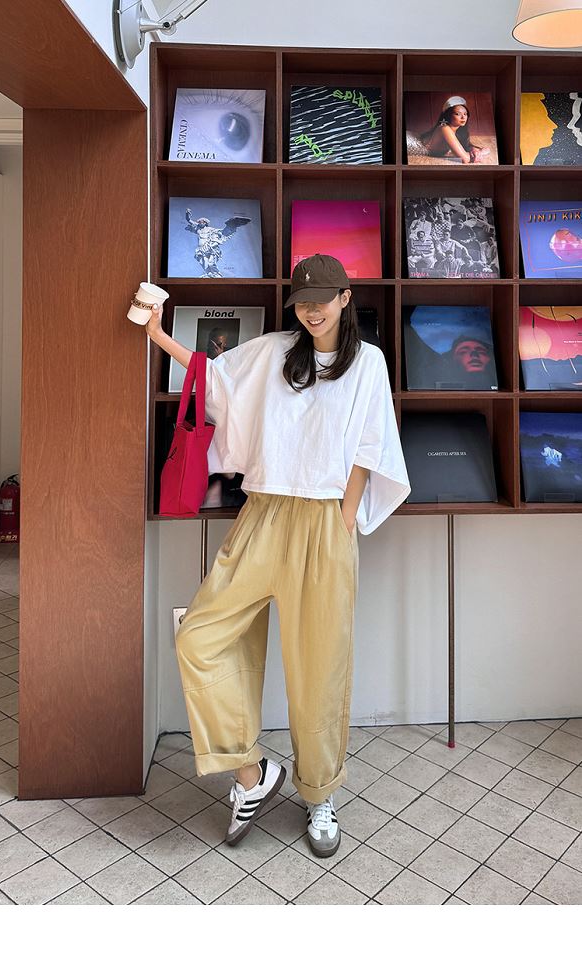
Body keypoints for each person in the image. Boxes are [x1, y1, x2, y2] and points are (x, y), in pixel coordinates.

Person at [144, 254, 411, 859]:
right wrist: (159, 334)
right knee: (200, 636)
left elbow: (370, 445)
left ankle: (319, 793)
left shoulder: (368, 362)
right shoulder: (273, 352)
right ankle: (252, 772)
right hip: (263, 514)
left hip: (324, 522)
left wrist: (344, 518)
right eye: (302, 301)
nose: (312, 310)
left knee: (320, 667)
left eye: (323, 298)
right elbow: (214, 378)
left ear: (345, 298)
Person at [406, 95, 489, 164]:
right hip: (409, 142)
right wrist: (480, 153)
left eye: (465, 114)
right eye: (457, 114)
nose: (463, 117)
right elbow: (465, 159)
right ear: (448, 115)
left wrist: (477, 151)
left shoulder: (457, 132)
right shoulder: (445, 128)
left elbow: (483, 149)